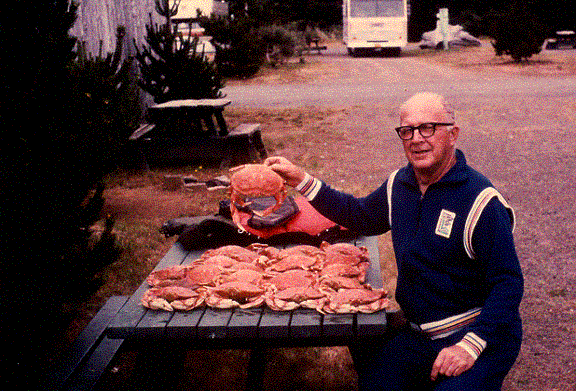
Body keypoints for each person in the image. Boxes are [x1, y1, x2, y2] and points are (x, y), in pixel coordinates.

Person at [264, 92, 523, 391]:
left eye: (428, 128)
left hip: (478, 334)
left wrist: (470, 346)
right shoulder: (399, 184)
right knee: (375, 384)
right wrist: (301, 179)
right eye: (407, 130)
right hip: (421, 335)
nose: (416, 138)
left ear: (453, 135)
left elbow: (508, 282)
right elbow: (358, 215)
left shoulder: (481, 200)